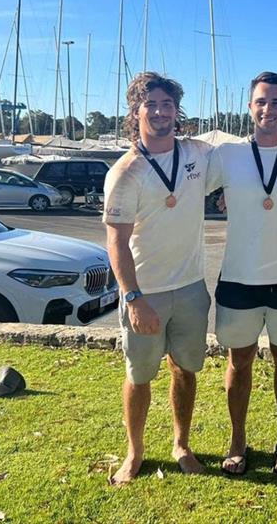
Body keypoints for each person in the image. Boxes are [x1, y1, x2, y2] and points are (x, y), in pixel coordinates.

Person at [206, 72, 277, 476]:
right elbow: (185, 176)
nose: (268, 109)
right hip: (238, 277)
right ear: (249, 106)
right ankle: (238, 440)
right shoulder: (227, 156)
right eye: (260, 101)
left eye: (276, 102)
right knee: (239, 362)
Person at [104, 72, 213, 485]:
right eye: (152, 104)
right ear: (137, 112)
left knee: (185, 370)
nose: (161, 111)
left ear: (176, 111)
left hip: (190, 289)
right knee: (139, 375)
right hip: (144, 292)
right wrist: (133, 299)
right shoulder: (125, 171)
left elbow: (249, 154)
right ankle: (134, 452)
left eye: (168, 104)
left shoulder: (198, 154)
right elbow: (116, 242)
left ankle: (181, 444)